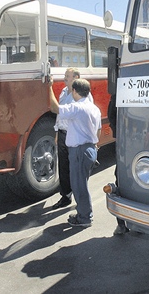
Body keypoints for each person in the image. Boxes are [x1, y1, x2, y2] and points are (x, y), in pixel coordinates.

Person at [49, 77, 101, 227]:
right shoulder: (94, 108)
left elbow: (55, 108)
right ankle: (83, 213)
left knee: (79, 186)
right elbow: (98, 129)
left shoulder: (77, 107)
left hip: (79, 151)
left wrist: (49, 87)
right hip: (90, 149)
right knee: (81, 185)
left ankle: (84, 217)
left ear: (74, 91)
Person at [52, 68, 93, 210]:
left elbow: (88, 118)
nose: (65, 78)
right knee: (63, 166)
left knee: (75, 169)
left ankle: (81, 203)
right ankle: (66, 196)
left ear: (76, 77)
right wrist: (57, 132)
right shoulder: (64, 92)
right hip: (63, 133)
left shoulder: (84, 97)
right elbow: (60, 116)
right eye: (65, 76)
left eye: (68, 76)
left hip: (75, 135)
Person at [108, 94, 129, 235]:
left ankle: (122, 224)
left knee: (121, 181)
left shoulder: (121, 93)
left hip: (125, 145)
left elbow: (111, 116)